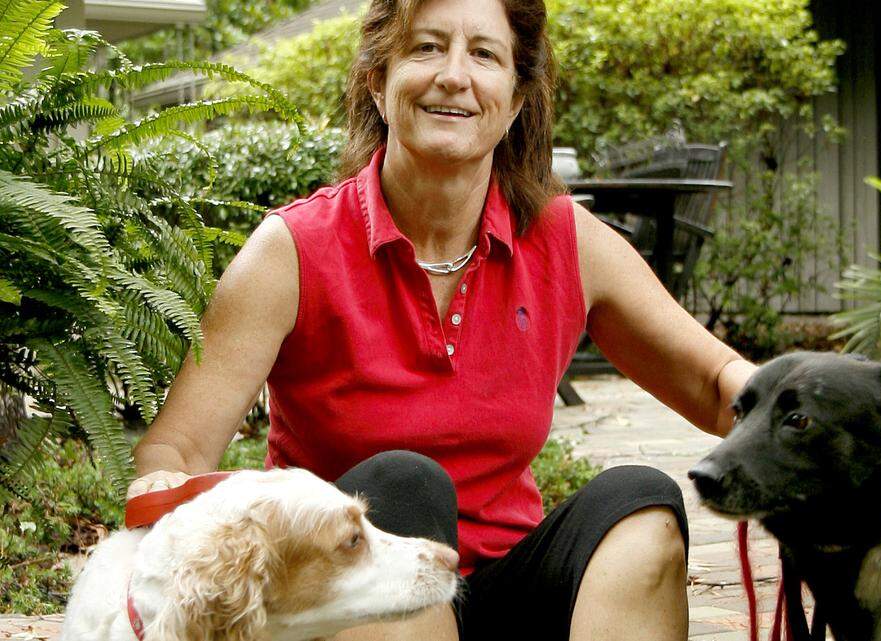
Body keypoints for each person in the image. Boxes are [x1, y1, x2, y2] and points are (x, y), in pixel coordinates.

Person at [128, 0, 756, 638]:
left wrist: (827, 419)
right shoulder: (292, 250)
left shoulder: (565, 240)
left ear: (514, 100)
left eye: (484, 54)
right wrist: (180, 524)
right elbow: (177, 447)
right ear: (377, 81)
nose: (455, 75)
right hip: (357, 598)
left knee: (641, 506)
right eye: (426, 47)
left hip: (509, 586)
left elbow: (720, 385)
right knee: (402, 484)